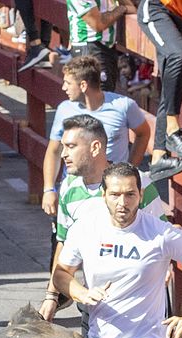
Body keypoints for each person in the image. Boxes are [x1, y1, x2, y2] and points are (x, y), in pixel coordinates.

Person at [55, 161, 182, 338]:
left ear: (140, 195)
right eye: (115, 195)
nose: (122, 202)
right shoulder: (84, 228)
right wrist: (81, 293)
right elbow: (60, 274)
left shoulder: (161, 234)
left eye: (130, 194)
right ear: (103, 195)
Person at [39, 113, 165, 321]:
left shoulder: (138, 183)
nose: (63, 154)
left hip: (143, 312)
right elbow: (63, 244)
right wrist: (52, 296)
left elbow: (163, 236)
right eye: (63, 146)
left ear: (95, 147)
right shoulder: (69, 188)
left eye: (71, 146)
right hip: (94, 307)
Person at [42, 54, 154, 217]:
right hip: (77, 189)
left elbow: (143, 133)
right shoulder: (64, 109)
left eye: (67, 83)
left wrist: (130, 169)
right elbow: (54, 151)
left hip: (115, 192)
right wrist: (49, 189)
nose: (63, 88)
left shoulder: (123, 106)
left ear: (83, 85)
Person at [137, 0, 182, 176]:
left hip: (179, 17)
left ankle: (158, 156)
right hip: (156, 7)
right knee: (177, 53)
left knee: (174, 76)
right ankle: (172, 129)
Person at [65, 0, 133, 91]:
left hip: (105, 47)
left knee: (106, 95)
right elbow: (98, 24)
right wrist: (121, 9)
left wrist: (123, 7)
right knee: (99, 98)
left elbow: (132, 8)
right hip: (89, 46)